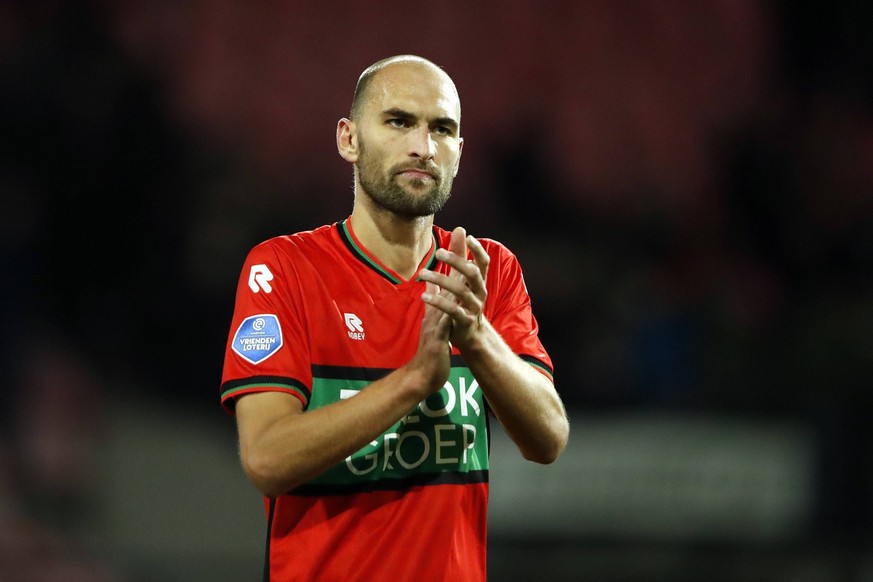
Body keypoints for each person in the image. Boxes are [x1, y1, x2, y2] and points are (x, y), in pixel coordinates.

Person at [219, 54, 569, 582]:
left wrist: (475, 336)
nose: (422, 147)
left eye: (442, 130)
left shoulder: (485, 270)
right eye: (399, 121)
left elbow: (548, 437)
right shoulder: (284, 269)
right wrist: (410, 383)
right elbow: (266, 459)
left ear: (459, 152)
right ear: (349, 140)